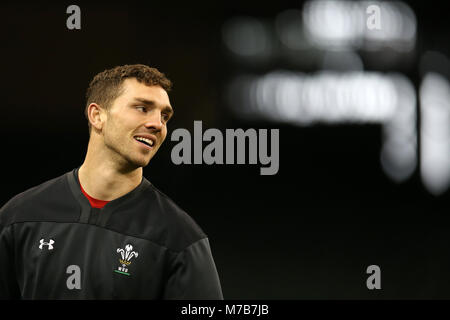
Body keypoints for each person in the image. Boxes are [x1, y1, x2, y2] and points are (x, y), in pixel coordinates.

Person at [0, 64, 223, 299]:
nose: (158, 124)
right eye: (142, 108)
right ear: (97, 115)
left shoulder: (179, 237)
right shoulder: (19, 216)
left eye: (164, 116)